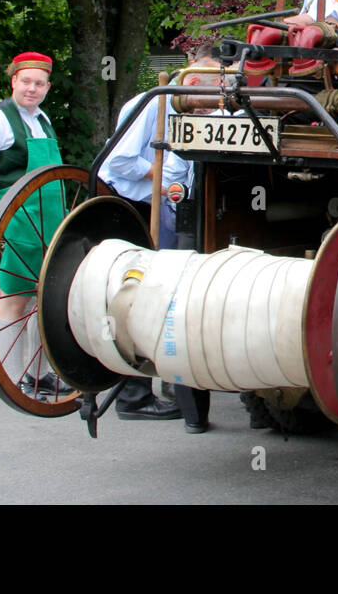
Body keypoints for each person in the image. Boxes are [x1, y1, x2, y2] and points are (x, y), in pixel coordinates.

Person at [99, 66, 212, 428]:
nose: (216, 102)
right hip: (132, 207)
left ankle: (166, 381)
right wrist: (161, 176)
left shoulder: (190, 109)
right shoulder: (154, 105)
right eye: (213, 93)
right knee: (139, 295)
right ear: (192, 83)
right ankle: (133, 396)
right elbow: (118, 160)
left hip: (163, 209)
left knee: (162, 294)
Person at [0, 51, 67, 398]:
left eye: (39, 83)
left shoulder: (43, 119)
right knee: (14, 298)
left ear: (47, 87)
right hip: (20, 222)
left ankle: (41, 374)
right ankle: (10, 375)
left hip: (51, 221)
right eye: (26, 82)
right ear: (13, 82)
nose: (32, 89)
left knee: (45, 298)